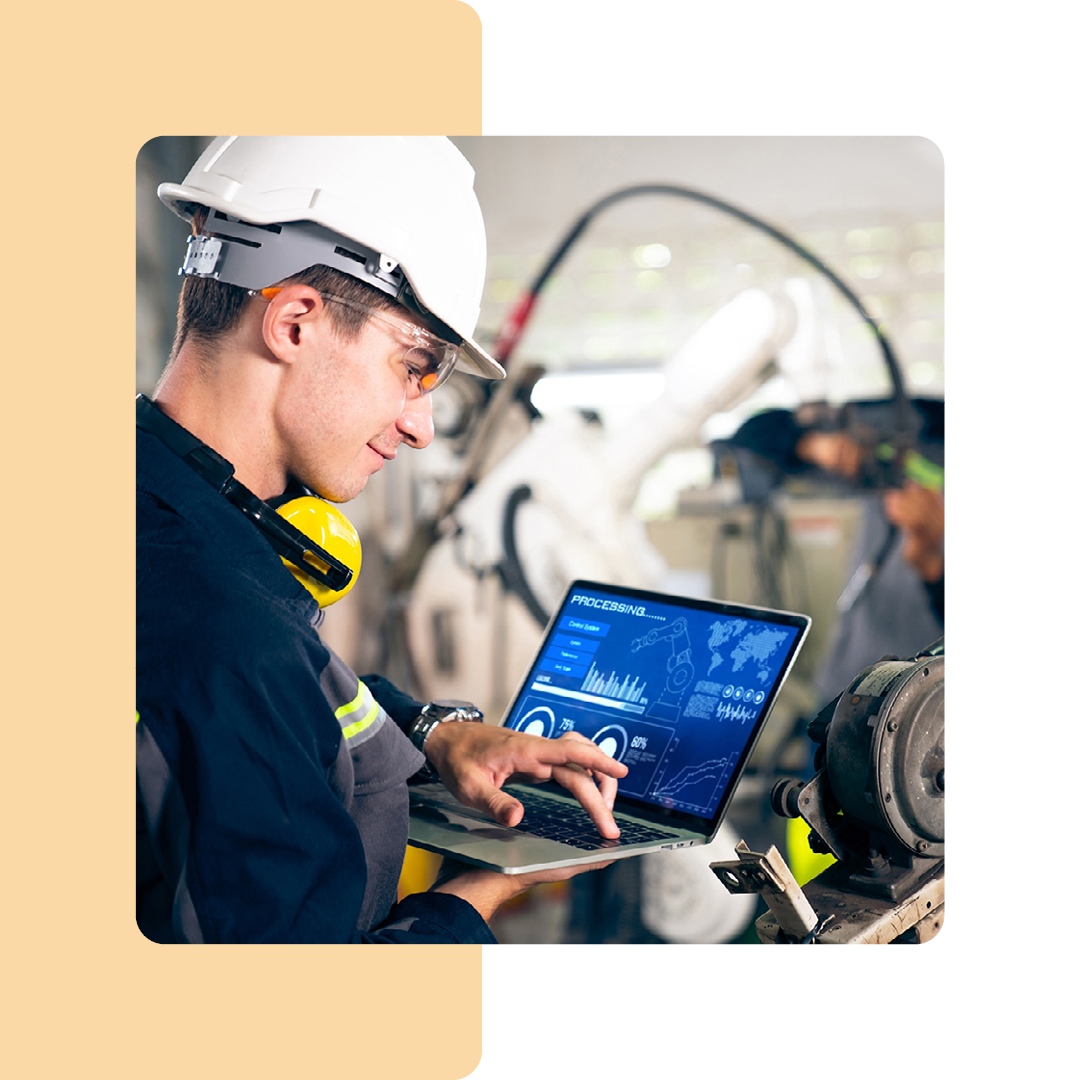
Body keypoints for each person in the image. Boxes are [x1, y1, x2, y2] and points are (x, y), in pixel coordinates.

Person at [136, 136, 628, 944]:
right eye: (414, 367)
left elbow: (273, 710)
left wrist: (436, 732)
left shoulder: (152, 512)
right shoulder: (230, 636)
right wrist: (481, 894)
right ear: (294, 322)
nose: (422, 425)